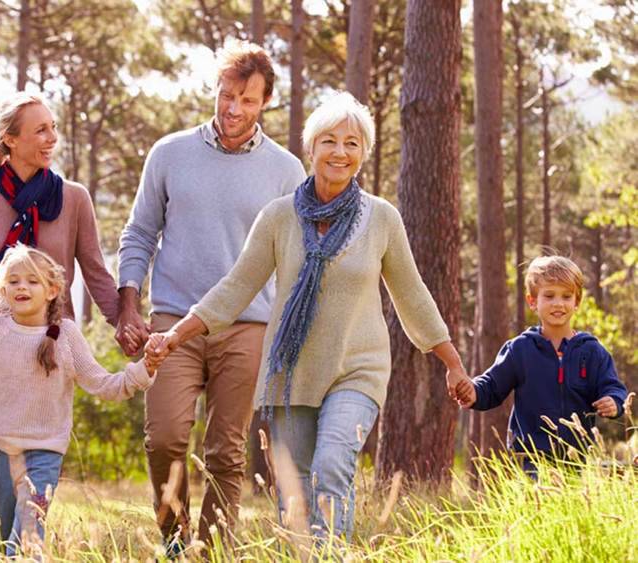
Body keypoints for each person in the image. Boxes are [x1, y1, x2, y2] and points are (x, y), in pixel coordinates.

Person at [145, 92, 473, 540]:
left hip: (357, 369)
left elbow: (412, 294)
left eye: (352, 143)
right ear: (311, 148)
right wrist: (176, 334)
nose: (340, 152)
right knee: (295, 493)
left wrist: (452, 361)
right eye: (330, 141)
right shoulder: (278, 218)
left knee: (332, 463)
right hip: (292, 373)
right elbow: (237, 287)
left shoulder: (382, 219)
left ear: (363, 154)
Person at [116, 40, 306, 550]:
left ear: (265, 101)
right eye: (226, 96)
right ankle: (175, 543)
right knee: (165, 438)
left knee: (226, 452)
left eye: (246, 100)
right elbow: (139, 233)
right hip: (172, 322)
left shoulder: (287, 171)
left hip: (247, 325)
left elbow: (295, 259)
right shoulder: (170, 153)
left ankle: (213, 550)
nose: (233, 109)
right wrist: (128, 303)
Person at [0, 92, 122, 535]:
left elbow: (96, 271)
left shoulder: (74, 199)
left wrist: (124, 322)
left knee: (41, 462)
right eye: (40, 129)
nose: (51, 138)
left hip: (50, 347)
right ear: (10, 139)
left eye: (53, 128)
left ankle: (27, 543)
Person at [0, 244, 157, 555]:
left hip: (44, 454)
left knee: (28, 536)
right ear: (3, 289)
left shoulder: (67, 337)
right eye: (14, 281)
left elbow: (104, 384)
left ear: (52, 290)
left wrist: (145, 368)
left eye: (32, 281)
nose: (22, 287)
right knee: (3, 535)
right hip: (0, 452)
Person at [463, 256, 628, 467]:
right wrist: (472, 391)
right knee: (537, 499)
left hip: (578, 458)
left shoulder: (592, 351)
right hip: (531, 458)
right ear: (533, 301)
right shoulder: (520, 349)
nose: (558, 303)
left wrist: (614, 402)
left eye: (566, 296)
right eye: (549, 296)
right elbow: (492, 386)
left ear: (576, 301)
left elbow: (613, 387)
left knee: (573, 500)